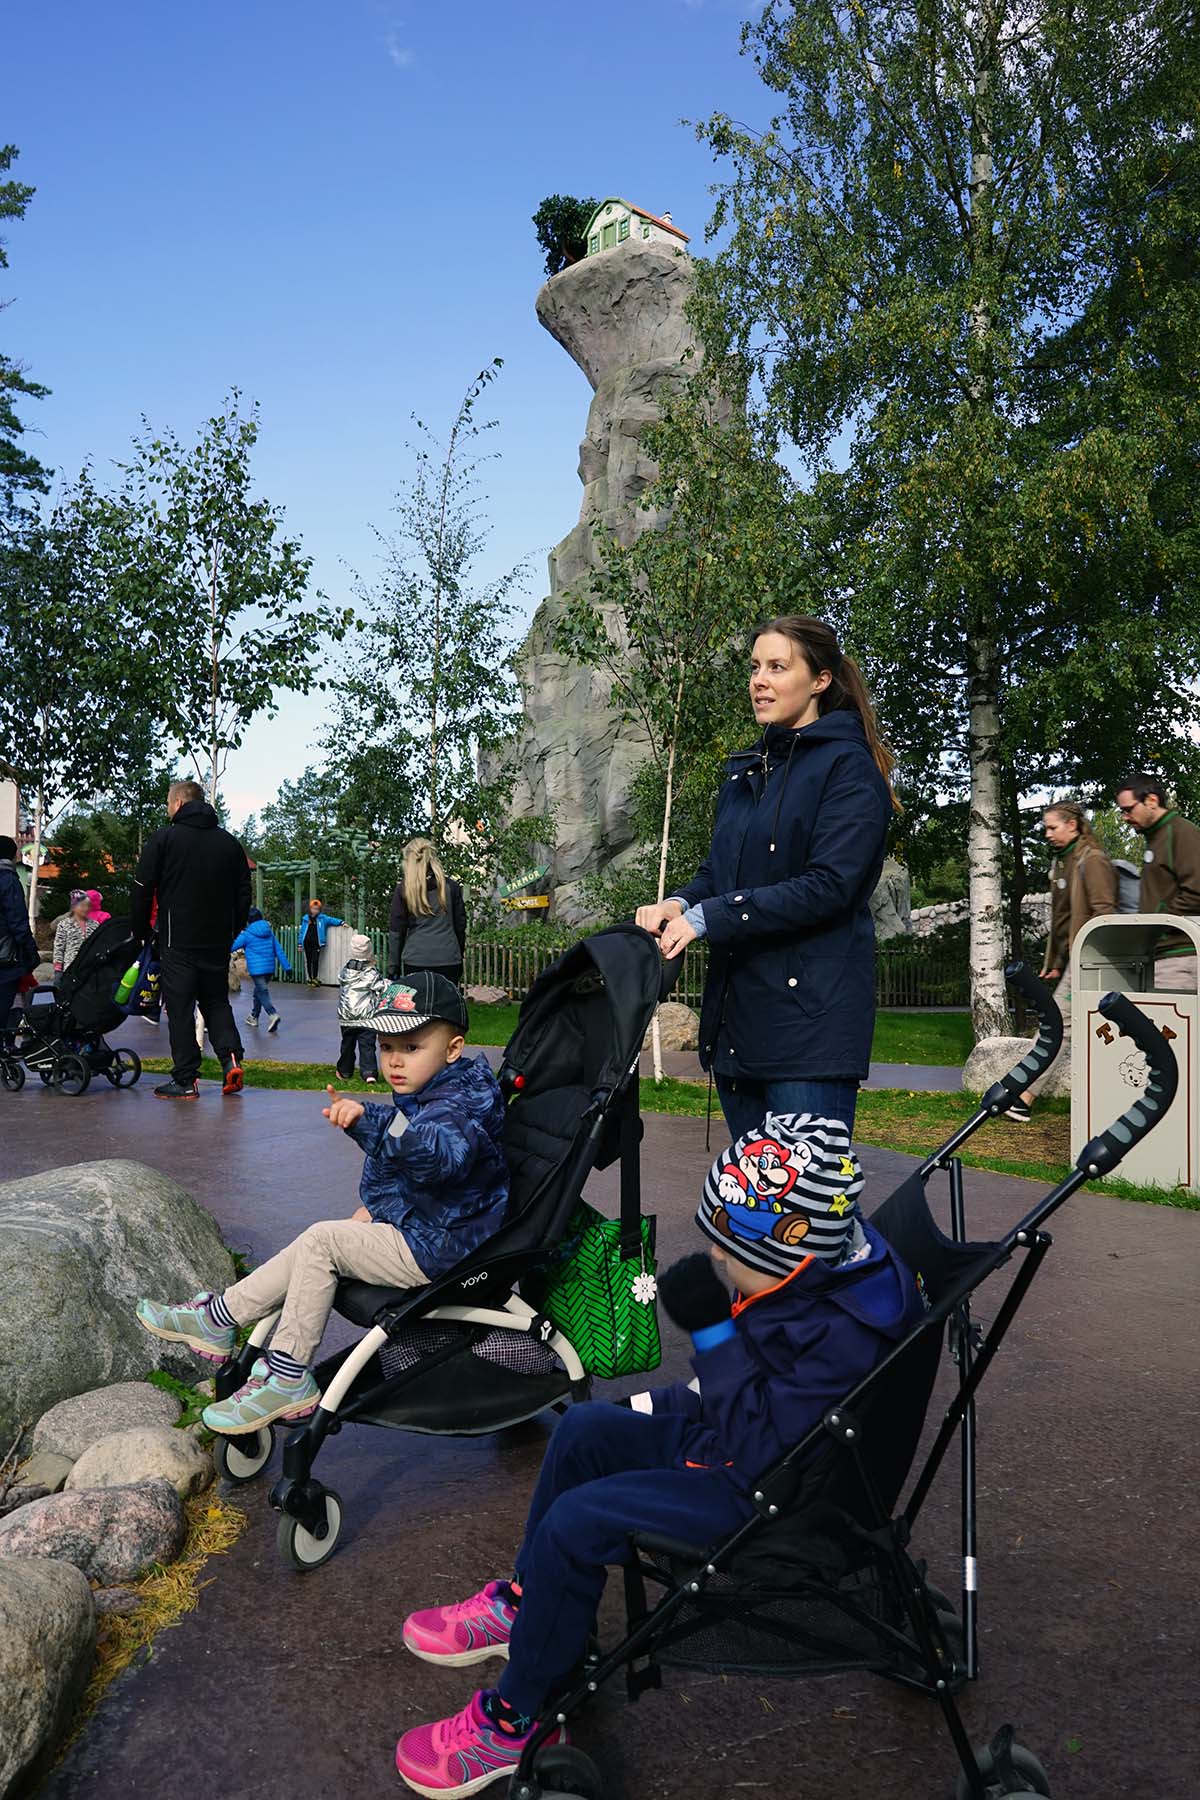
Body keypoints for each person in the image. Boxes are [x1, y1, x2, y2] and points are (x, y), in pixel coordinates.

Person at [392, 1113, 921, 1797]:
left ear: (797, 1246)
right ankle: (530, 1604)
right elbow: (735, 1396)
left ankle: (517, 1719)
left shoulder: (841, 1334)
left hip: (762, 1493)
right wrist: (646, 1408)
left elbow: (761, 1447)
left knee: (578, 1520)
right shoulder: (821, 1269)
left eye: (732, 1254)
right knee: (584, 1429)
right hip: (743, 1439)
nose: (718, 1263)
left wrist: (709, 1332)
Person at [135, 970, 508, 1432]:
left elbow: (434, 1158)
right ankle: (219, 1316)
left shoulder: (455, 1108)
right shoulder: (435, 1093)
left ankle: (287, 1375)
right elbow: (417, 1165)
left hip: (445, 1249)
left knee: (323, 1242)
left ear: (452, 1049)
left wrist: (369, 1123)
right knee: (318, 1242)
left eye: (412, 1048)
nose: (394, 1061)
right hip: (428, 1228)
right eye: (387, 1046)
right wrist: (377, 1205)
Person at [635, 616, 896, 1139]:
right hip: (739, 1023)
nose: (759, 679)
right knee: (764, 1212)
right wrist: (681, 903)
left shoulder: (849, 768)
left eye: (778, 667)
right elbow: (721, 872)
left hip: (809, 1029)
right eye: (755, 667)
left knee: (814, 1209)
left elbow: (831, 885)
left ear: (820, 680)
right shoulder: (746, 772)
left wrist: (711, 917)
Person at [131, 778, 251, 1100]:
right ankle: (231, 1062)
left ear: (179, 803)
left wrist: (140, 932)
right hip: (216, 942)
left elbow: (142, 889)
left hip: (177, 940)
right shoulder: (229, 844)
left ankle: (185, 1079)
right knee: (215, 1001)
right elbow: (244, 895)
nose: (168, 810)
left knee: (181, 1008)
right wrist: (231, 931)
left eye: (169, 803)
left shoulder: (165, 839)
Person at [1009, 801, 1117, 1124]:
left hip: (1094, 958)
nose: (1047, 833)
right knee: (1066, 1026)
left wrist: (1091, 962)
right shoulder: (1064, 863)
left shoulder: (1092, 861)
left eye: (1053, 827)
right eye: (1045, 828)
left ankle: (1024, 1096)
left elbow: (1105, 914)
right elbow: (1061, 917)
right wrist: (1055, 959)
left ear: (1072, 825)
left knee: (1057, 1024)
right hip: (1078, 959)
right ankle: (1025, 1096)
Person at [1115, 772, 1200, 992]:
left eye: (1128, 809)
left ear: (1151, 801)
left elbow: (1196, 891)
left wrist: (1158, 925)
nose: (1124, 817)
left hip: (1181, 955)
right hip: (1161, 955)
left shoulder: (1181, 832)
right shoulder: (1155, 838)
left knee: (1164, 1026)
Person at [389, 838, 466, 985]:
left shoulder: (404, 889)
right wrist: (458, 954)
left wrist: (394, 967)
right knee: (446, 1006)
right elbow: (460, 926)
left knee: (417, 1005)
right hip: (448, 959)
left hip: (415, 959)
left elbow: (396, 932)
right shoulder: (451, 887)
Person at [0, 835, 39, 1039]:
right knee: (6, 1009)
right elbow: (17, 922)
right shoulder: (8, 880)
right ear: (13, 855)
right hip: (5, 958)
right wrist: (31, 952)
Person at [231, 905, 291, 1034]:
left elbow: (232, 946)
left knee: (262, 992)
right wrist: (287, 967)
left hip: (257, 970)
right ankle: (254, 1017)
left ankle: (273, 1014)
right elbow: (278, 950)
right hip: (269, 969)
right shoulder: (269, 932)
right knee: (258, 992)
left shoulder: (247, 934)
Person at [335, 931, 380, 1083]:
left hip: (346, 1016)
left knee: (347, 1044)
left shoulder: (346, 971)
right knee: (367, 1045)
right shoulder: (370, 973)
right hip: (366, 1017)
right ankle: (369, 1073)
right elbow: (380, 986)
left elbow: (341, 981)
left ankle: (344, 1071)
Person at [52, 889, 96, 980]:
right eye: (82, 906)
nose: (86, 909)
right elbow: (59, 947)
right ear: (74, 907)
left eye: (88, 906)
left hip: (89, 969)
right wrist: (58, 969)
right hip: (70, 968)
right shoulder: (64, 924)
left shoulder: (95, 924)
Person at [300, 896, 344, 986]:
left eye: (317, 909)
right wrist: (300, 944)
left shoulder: (322, 918)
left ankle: (315, 977)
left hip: (317, 943)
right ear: (310, 909)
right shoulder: (305, 919)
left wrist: (341, 922)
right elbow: (302, 932)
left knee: (315, 960)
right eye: (313, 909)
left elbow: (332, 920)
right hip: (307, 942)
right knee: (308, 961)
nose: (315, 911)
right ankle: (310, 978)